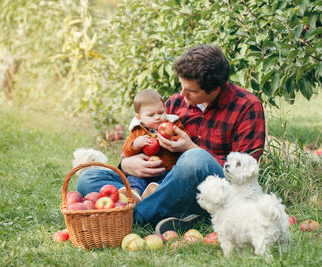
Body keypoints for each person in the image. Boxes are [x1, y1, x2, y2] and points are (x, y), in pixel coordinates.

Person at [77, 44, 266, 233]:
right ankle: (172, 214)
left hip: (212, 191)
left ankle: (132, 217)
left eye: (190, 91)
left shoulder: (247, 107)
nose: (182, 95)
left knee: (195, 159)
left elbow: (244, 173)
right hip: (165, 182)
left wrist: (190, 147)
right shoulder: (176, 102)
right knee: (89, 178)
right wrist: (126, 164)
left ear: (215, 88)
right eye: (181, 87)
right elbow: (143, 137)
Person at [119, 89, 189, 202]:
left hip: (166, 170)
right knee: (134, 179)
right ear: (139, 118)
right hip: (143, 171)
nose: (157, 117)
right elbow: (126, 151)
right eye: (151, 115)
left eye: (161, 113)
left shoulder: (173, 124)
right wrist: (135, 144)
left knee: (168, 181)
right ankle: (134, 194)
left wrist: (172, 138)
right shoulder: (137, 131)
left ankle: (153, 193)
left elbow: (185, 136)